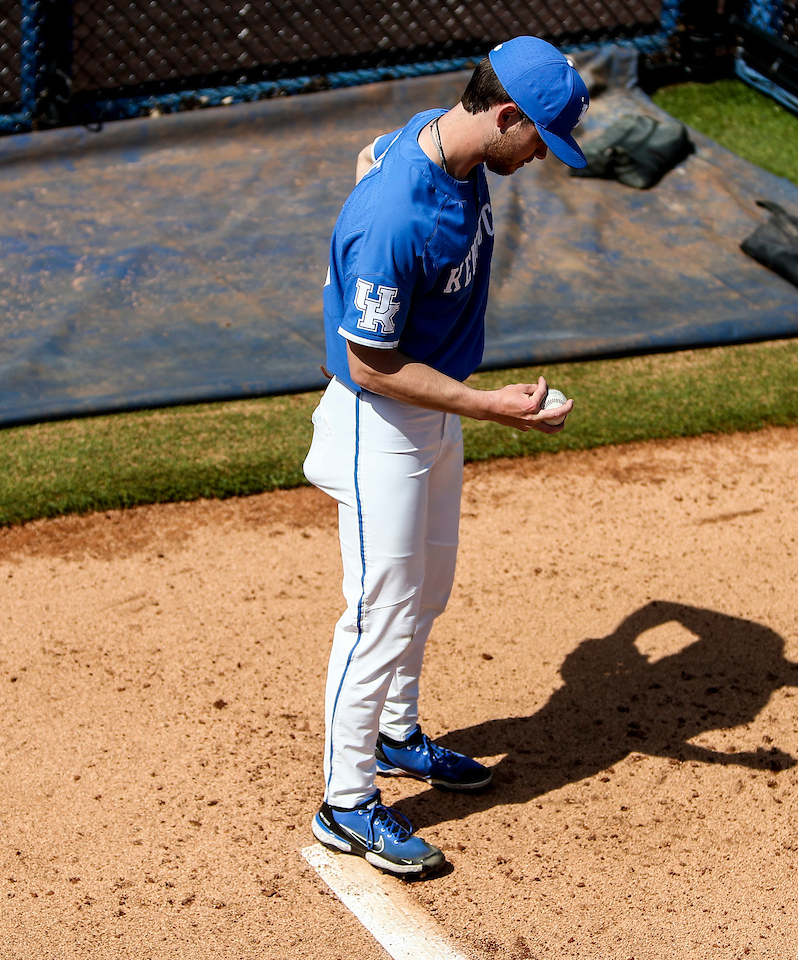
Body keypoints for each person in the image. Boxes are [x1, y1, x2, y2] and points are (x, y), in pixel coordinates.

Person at [302, 37, 587, 876]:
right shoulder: (399, 211)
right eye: (539, 139)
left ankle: (397, 734)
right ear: (506, 114)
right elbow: (367, 362)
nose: (539, 157)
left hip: (431, 409)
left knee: (429, 590)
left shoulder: (437, 138)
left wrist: (360, 240)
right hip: (379, 420)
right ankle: (346, 804)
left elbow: (371, 153)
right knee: (378, 613)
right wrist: (492, 406)